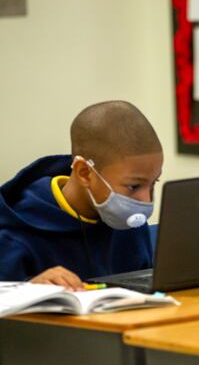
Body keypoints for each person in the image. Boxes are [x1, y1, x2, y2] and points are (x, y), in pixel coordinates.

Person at [0, 101, 163, 290]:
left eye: (153, 183)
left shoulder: (128, 224)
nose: (146, 200)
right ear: (85, 173)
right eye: (133, 186)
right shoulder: (16, 236)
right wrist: (28, 289)